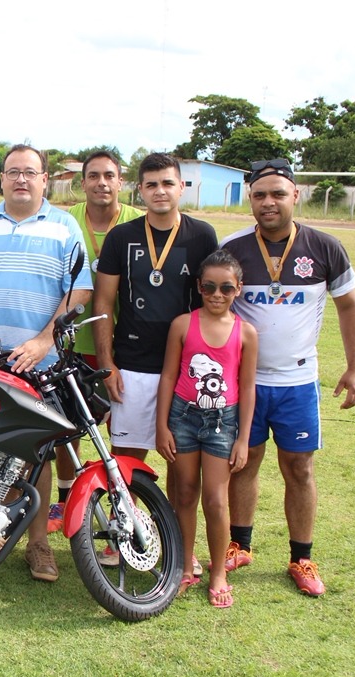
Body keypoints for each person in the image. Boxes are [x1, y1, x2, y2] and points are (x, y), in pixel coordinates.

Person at [0, 144, 93, 583]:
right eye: (13, 172)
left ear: (46, 179)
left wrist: (44, 338)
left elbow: (79, 290)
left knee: (36, 455)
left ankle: (38, 544)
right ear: (2, 179)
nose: (21, 179)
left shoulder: (64, 227)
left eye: (30, 172)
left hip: (40, 362)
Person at [219, 158, 355, 597]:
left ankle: (301, 557)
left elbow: (349, 307)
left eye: (278, 194)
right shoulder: (233, 249)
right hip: (244, 382)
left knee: (299, 468)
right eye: (260, 194)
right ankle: (238, 546)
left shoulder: (325, 247)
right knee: (244, 462)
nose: (268, 202)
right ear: (251, 198)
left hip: (298, 383)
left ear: (295, 195)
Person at [92, 152, 217, 567]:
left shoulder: (202, 236)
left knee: (185, 471)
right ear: (140, 190)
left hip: (186, 370)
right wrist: (107, 365)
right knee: (125, 463)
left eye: (168, 183)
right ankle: (119, 538)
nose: (160, 191)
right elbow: (104, 303)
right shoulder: (122, 236)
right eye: (151, 185)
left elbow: (211, 304)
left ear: (182, 187)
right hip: (132, 366)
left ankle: (184, 549)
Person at [48, 150, 144, 531]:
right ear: (82, 182)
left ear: (121, 182)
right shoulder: (64, 220)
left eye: (109, 175)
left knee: (119, 430)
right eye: (93, 176)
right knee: (66, 427)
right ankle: (65, 497)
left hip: (126, 346)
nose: (102, 182)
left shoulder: (139, 221)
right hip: (72, 344)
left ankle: (123, 506)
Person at [156, 249, 258, 608]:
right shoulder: (183, 325)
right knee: (184, 493)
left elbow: (247, 387)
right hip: (183, 418)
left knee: (216, 500)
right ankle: (184, 565)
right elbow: (169, 375)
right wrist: (161, 426)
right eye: (209, 287)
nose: (217, 295)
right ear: (199, 287)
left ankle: (218, 573)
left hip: (222, 422)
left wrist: (243, 439)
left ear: (238, 289)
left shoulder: (245, 333)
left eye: (226, 288)